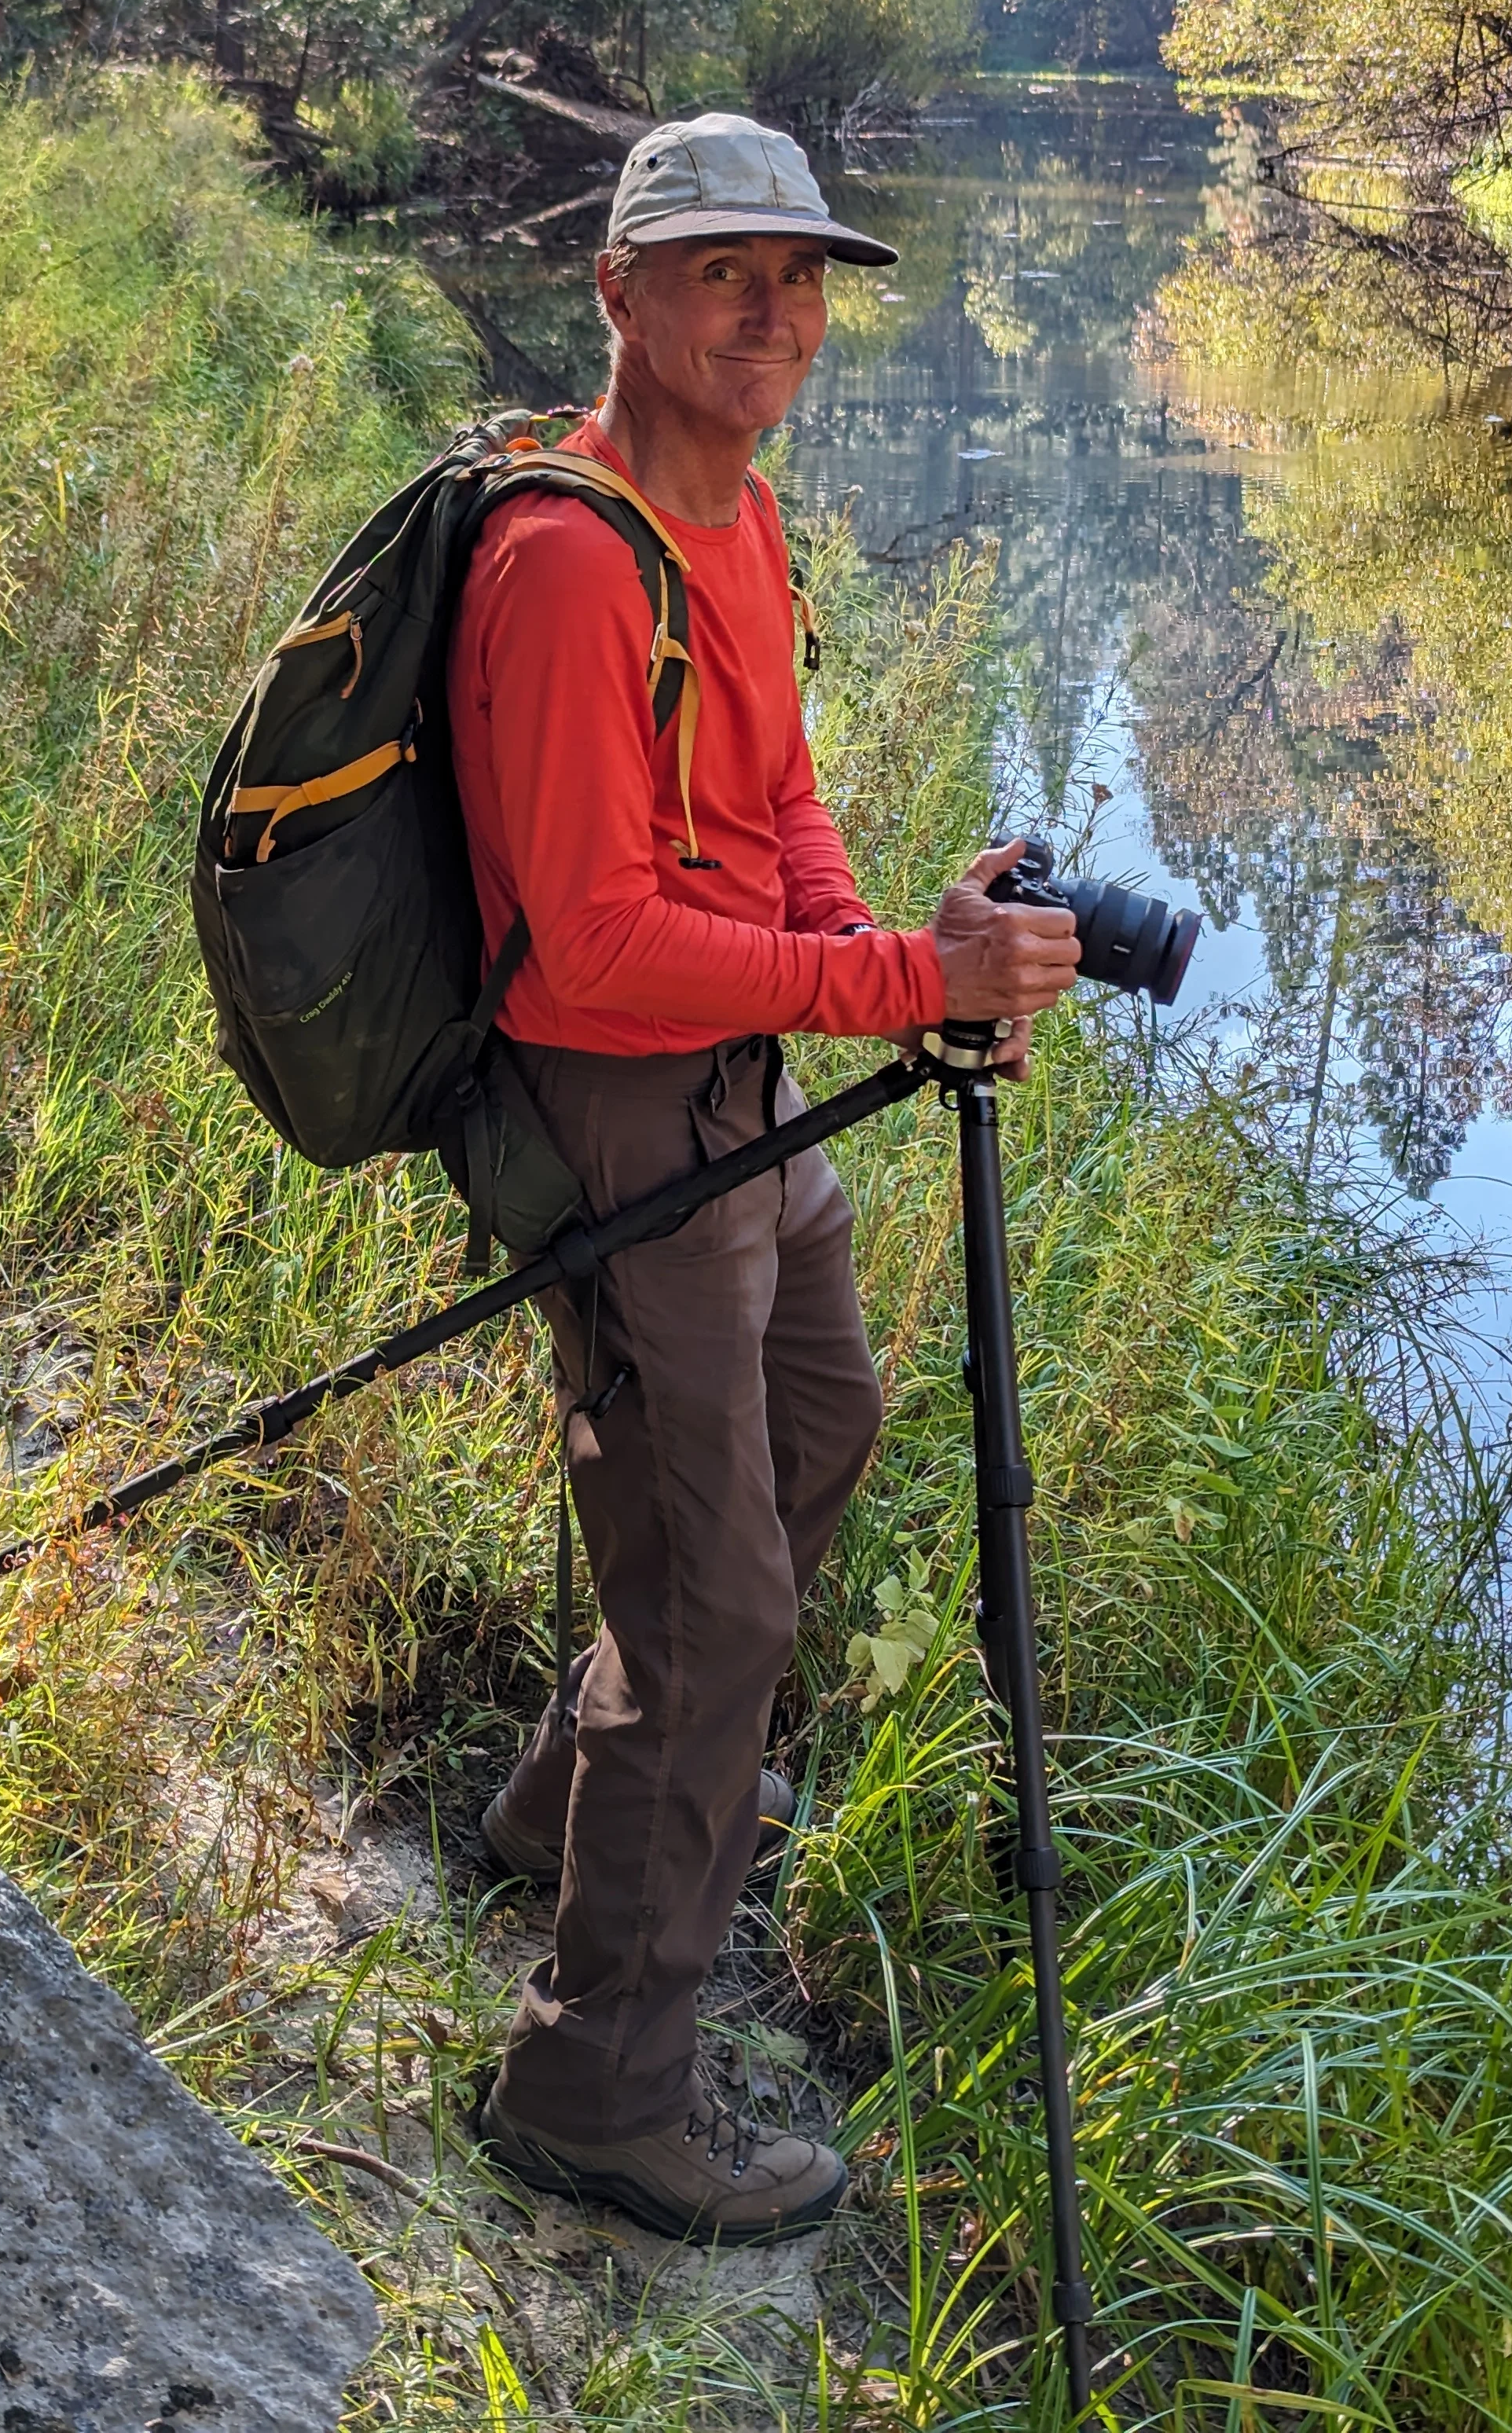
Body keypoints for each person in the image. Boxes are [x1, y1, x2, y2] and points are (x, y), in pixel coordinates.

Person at [450, 109, 1078, 2243]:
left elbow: (783, 792)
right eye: (726, 272)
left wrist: (884, 958)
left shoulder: (740, 516)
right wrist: (904, 973)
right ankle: (596, 2086)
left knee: (829, 1419)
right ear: (619, 293)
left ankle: (579, 1807)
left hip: (746, 1081)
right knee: (717, 1605)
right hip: (627, 1102)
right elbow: (589, 940)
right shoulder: (562, 561)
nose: (778, 314)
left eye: (802, 277)